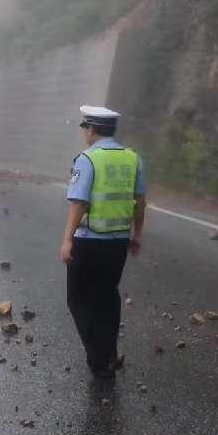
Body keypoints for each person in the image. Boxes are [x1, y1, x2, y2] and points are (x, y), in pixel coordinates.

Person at [60, 105, 146, 379]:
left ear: (92, 130)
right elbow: (140, 202)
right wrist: (137, 235)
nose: (85, 132)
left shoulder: (88, 159)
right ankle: (108, 352)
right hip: (118, 242)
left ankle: (98, 358)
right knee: (107, 297)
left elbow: (79, 202)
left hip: (88, 241)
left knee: (78, 298)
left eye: (85, 128)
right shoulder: (133, 158)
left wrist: (67, 239)